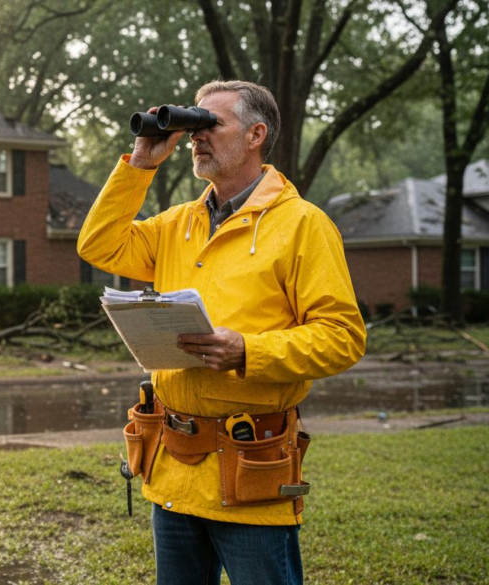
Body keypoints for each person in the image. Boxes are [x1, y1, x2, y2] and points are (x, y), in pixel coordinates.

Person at [77, 80, 366, 585]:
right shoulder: (177, 224)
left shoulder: (302, 225)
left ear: (256, 134)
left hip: (251, 468)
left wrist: (248, 351)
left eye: (211, 125)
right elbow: (98, 245)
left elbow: (343, 337)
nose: (196, 136)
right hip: (173, 465)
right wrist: (141, 163)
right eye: (193, 126)